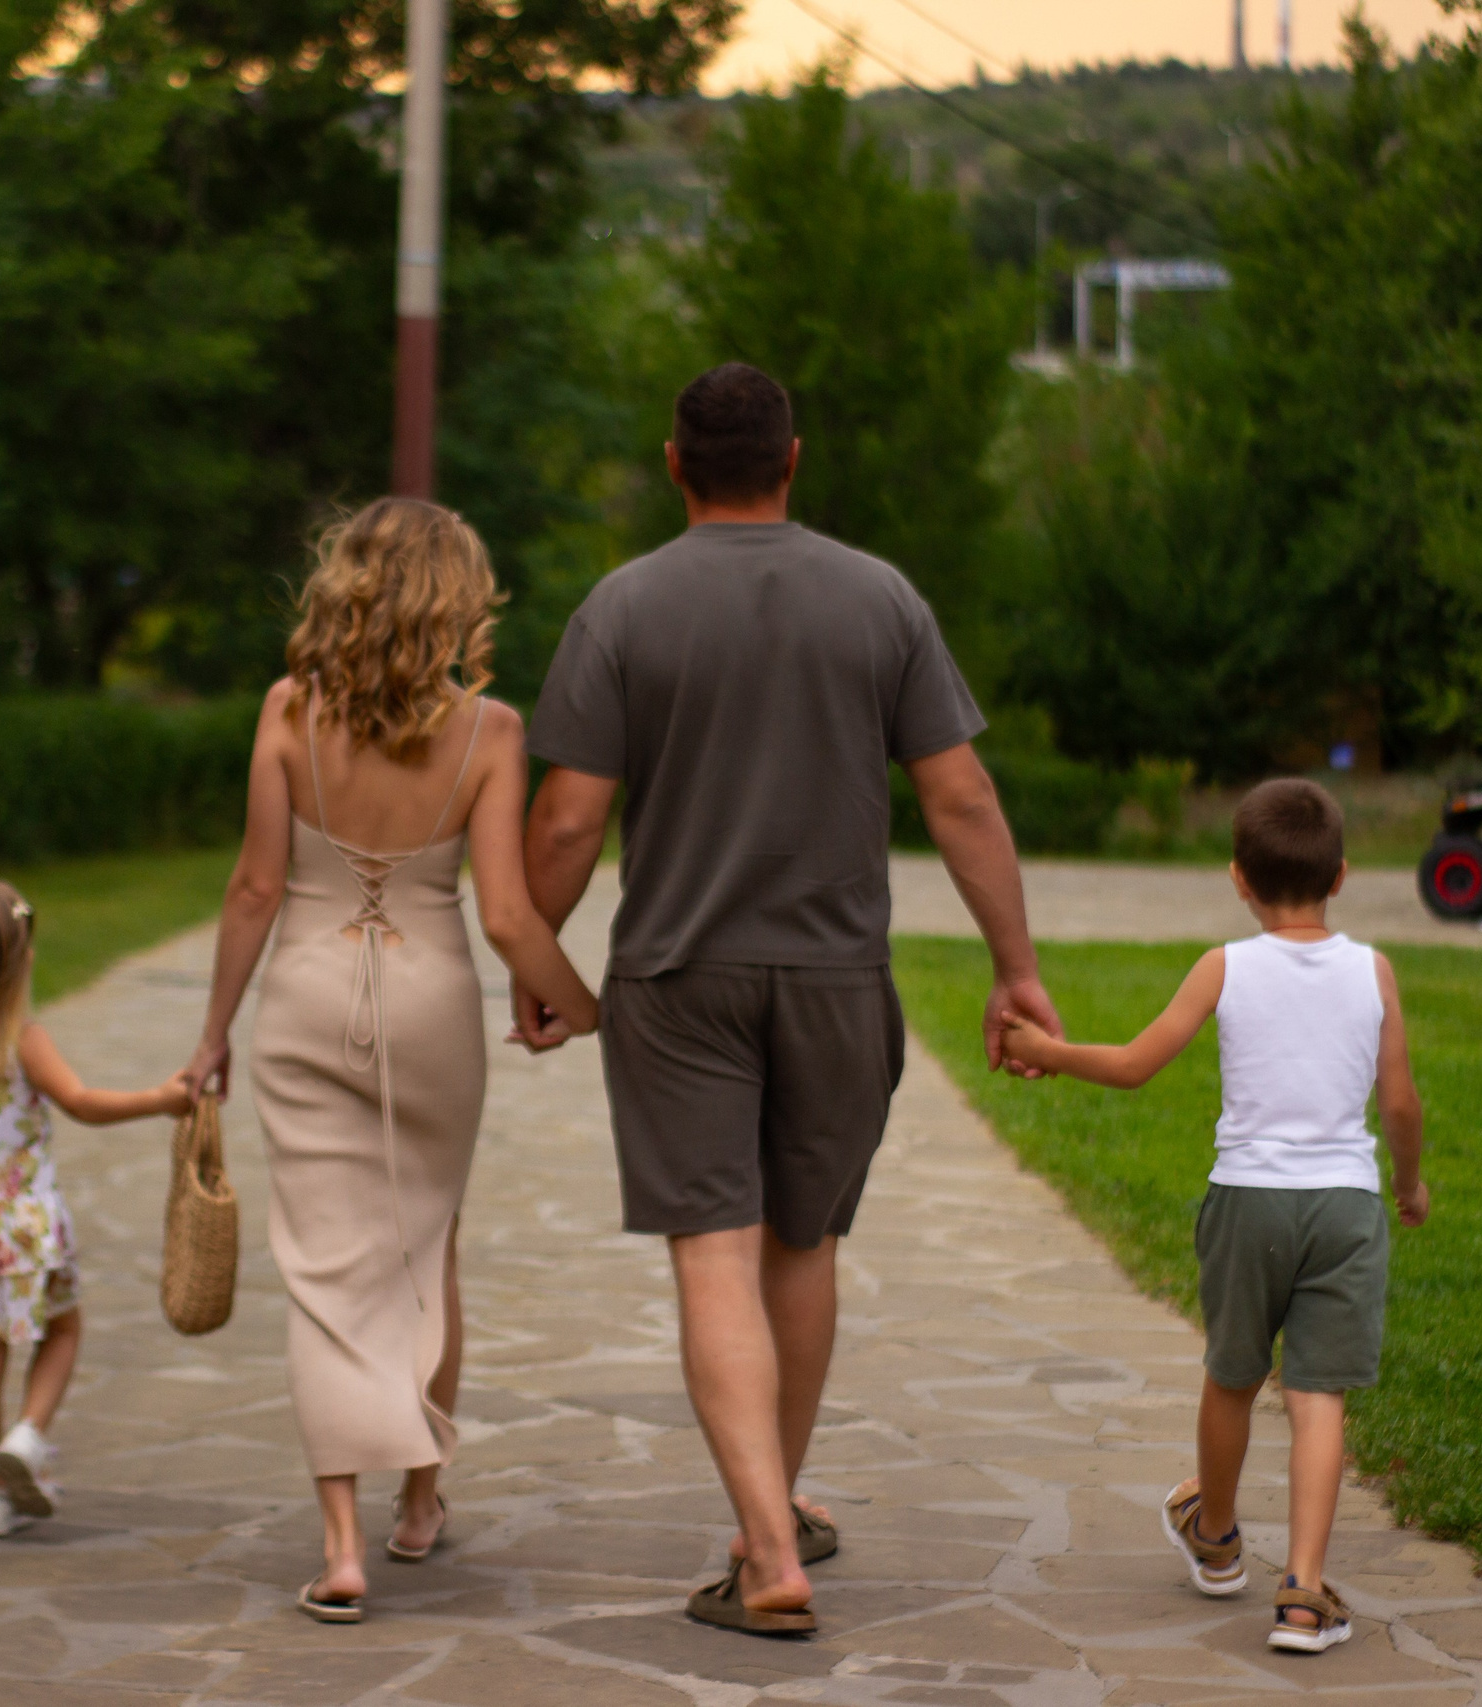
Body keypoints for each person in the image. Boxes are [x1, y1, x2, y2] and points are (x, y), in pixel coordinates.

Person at [517, 362, 1060, 1636]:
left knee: (712, 1254)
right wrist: (1015, 966)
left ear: (672, 465)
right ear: (793, 460)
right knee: (799, 1246)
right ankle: (778, 1506)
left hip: (678, 981)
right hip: (833, 980)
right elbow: (962, 796)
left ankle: (768, 1547)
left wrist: (532, 956)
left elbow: (569, 816)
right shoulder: (880, 599)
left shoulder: (620, 608)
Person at [183, 498, 600, 1624]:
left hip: (308, 1003)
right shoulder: (492, 734)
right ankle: (421, 1502)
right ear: (458, 602)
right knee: (425, 1250)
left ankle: (339, 1545)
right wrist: (584, 1008)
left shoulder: (287, 710)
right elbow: (509, 918)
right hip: (431, 1011)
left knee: (324, 1269)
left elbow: (256, 891)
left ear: (348, 585)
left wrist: (213, 1032)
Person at [998, 778, 1429, 1655]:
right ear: (1342, 874)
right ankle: (1304, 1591)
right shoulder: (1372, 969)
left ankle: (1220, 1536)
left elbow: (1131, 1063)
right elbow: (1401, 1101)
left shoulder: (1224, 965)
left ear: (1239, 877)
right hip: (1346, 1205)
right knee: (1318, 1397)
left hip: (1248, 1201)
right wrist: (1410, 1186)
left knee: (1234, 1375)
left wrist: (1045, 1050)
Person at [0, 880, 194, 1538]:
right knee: (62, 1330)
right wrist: (160, 1097)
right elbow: (80, 1101)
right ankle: (27, 1435)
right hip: (24, 1226)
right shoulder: (23, 1039)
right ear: (17, 963)